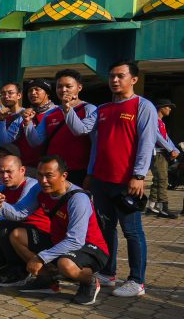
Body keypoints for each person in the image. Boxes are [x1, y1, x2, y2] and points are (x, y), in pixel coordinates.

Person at [63, 60, 157, 298]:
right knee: (106, 229)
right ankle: (108, 272)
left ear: (133, 79)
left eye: (121, 76)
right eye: (112, 76)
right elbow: (81, 131)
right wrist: (68, 109)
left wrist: (138, 175)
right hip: (101, 180)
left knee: (132, 231)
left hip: (126, 182)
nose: (115, 80)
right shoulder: (103, 109)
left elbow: (146, 144)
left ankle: (137, 281)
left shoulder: (143, 106)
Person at [0, 155, 109, 305]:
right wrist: (0, 205)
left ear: (63, 176)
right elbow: (19, 212)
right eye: (40, 175)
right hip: (60, 241)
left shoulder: (77, 199)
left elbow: (75, 240)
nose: (43, 181)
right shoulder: (40, 189)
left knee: (65, 264)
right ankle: (46, 280)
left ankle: (89, 281)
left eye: (49, 176)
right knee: (17, 235)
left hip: (89, 246)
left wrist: (40, 258)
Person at [0, 149, 51, 284]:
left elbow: (19, 213)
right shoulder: (1, 188)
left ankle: (18, 271)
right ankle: (7, 265)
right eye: (1, 172)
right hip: (16, 233)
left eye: (9, 172)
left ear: (22, 170)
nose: (5, 176)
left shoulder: (32, 185)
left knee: (4, 227)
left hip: (39, 234)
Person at [27, 69, 95, 186]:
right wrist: (27, 123)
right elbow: (35, 141)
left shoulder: (89, 109)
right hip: (53, 172)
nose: (63, 90)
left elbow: (81, 132)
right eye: (59, 86)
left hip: (79, 171)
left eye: (68, 86)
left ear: (79, 88)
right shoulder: (51, 113)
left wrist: (90, 173)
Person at [4, 79, 57, 173]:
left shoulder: (58, 112)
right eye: (30, 90)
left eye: (37, 89)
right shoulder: (24, 114)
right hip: (24, 167)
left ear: (47, 93)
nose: (33, 93)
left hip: (50, 168)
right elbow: (5, 141)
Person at [150, 98, 179, 218]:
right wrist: (170, 149)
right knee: (162, 180)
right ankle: (163, 208)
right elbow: (157, 137)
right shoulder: (153, 121)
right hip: (158, 154)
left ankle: (151, 206)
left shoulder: (162, 123)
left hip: (163, 153)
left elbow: (166, 138)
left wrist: (175, 149)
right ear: (161, 108)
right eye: (168, 106)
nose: (170, 109)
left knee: (158, 180)